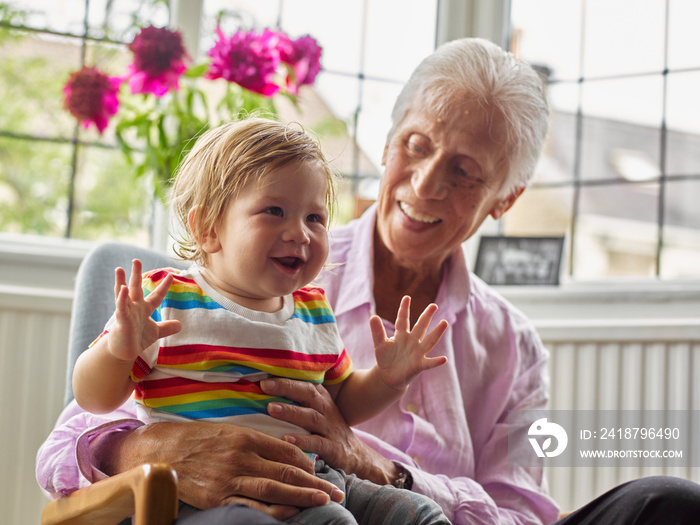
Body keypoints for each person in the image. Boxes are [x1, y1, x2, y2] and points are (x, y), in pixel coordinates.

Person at [37, 38, 700, 525]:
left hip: (396, 508)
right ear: (387, 144)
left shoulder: (513, 345)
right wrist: (148, 446)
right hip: (276, 511)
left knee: (668, 504)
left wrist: (381, 468)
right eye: (416, 145)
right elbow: (66, 447)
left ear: (504, 199)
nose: (426, 182)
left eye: (466, 170)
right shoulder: (239, 286)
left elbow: (522, 514)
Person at [69, 117, 450, 524]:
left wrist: (389, 379)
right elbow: (94, 399)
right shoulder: (168, 298)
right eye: (275, 211)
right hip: (201, 495)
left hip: (316, 475)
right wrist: (118, 350)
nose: (300, 233)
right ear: (207, 228)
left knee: (419, 513)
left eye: (314, 218)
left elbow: (342, 407)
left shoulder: (313, 311)